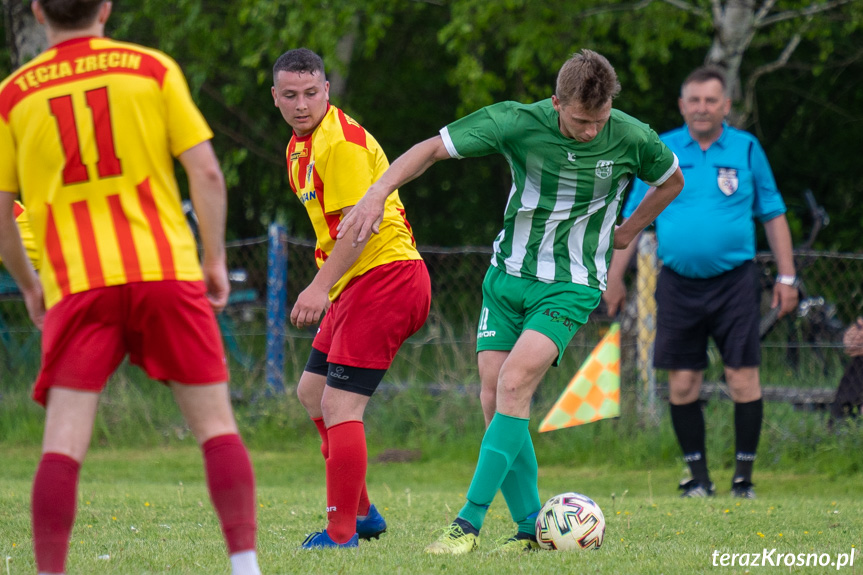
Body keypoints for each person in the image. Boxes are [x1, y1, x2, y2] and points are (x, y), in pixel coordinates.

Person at [338, 49, 684, 554]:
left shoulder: (632, 136)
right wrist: (377, 191)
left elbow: (672, 180)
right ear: (555, 102)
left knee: (514, 382)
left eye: (600, 119)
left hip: (571, 283)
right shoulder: (515, 122)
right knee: (494, 399)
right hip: (506, 279)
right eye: (581, 120)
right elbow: (431, 149)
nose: (591, 131)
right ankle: (530, 527)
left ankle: (466, 524)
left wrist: (629, 229)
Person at [0, 2, 261, 574]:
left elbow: (1, 213)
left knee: (62, 442)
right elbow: (208, 173)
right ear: (106, 8)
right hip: (165, 270)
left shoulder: (15, 93)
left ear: (40, 12)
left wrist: (29, 283)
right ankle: (245, 566)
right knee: (216, 427)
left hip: (77, 283)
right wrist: (213, 259)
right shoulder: (150, 68)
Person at [604, 66, 799, 500]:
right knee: (683, 383)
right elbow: (634, 219)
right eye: (694, 100)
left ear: (726, 105)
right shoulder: (664, 150)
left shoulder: (746, 150)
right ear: (682, 105)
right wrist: (614, 279)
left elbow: (773, 213)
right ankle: (698, 479)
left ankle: (744, 480)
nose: (702, 108)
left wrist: (787, 277)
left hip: (736, 283)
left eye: (711, 100)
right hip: (677, 283)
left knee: (742, 377)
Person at [271, 48, 431, 549]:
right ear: (275, 97)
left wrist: (319, 286)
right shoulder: (301, 145)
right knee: (312, 394)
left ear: (326, 91)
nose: (302, 104)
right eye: (291, 95)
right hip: (355, 283)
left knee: (340, 403)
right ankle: (362, 515)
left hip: (386, 277)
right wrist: (330, 285)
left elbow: (359, 231)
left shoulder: (338, 144)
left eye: (311, 93)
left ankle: (341, 536)